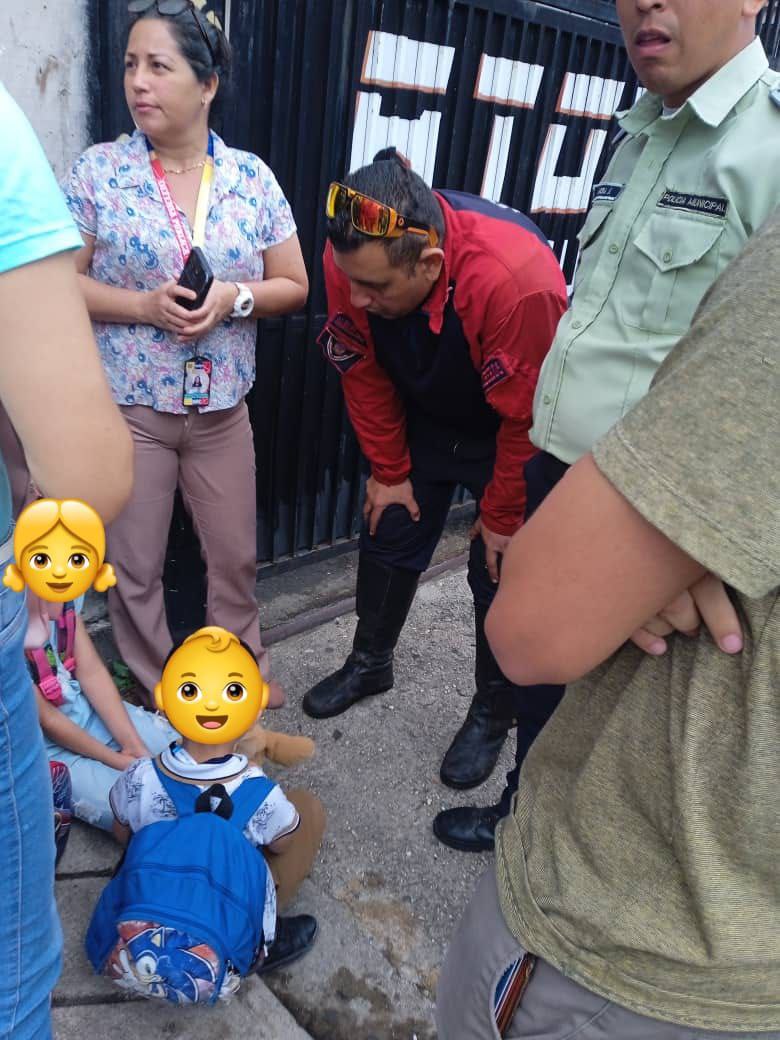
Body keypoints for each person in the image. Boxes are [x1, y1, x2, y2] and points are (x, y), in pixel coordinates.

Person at [434, 0, 780, 853]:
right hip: (560, 470)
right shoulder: (637, 135)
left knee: (626, 714)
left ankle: (566, 860)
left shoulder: (766, 150)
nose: (643, 6)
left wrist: (698, 539)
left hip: (654, 511)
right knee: (547, 683)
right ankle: (525, 818)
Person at [436, 206, 780, 1039]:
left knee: (521, 638)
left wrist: (652, 544)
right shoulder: (640, 141)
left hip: (635, 939)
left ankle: (500, 746)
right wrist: (672, 542)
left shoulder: (502, 276)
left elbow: (534, 626)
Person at [63, 0, 309, 702]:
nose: (138, 82)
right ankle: (155, 682)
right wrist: (142, 306)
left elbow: (294, 284)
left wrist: (232, 298)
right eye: (130, 65)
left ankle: (238, 673)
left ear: (206, 86)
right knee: (135, 567)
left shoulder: (251, 179)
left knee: (234, 558)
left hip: (221, 409)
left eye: (159, 66)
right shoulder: (99, 173)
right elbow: (61, 286)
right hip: (132, 411)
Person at [302, 152, 568, 796]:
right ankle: (370, 664)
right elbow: (360, 370)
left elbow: (528, 418)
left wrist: (502, 518)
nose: (355, 298)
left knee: (497, 568)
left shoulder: (516, 280)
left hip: (510, 426)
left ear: (429, 264)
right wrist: (389, 471)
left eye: (375, 291)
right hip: (426, 411)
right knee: (389, 526)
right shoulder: (356, 255)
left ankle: (491, 712)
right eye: (349, 282)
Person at [0, 85, 132, 1040]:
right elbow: (86, 472)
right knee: (14, 977)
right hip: (62, 744)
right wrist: (108, 753)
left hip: (92, 725)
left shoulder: (55, 598)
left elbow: (85, 661)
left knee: (172, 755)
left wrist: (133, 734)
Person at [107, 628, 324, 989]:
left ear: (164, 700)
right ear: (255, 706)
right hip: (219, 928)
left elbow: (121, 835)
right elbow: (281, 845)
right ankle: (256, 948)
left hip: (141, 923)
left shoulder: (140, 776)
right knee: (308, 810)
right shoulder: (259, 793)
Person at [25, 590, 177, 831]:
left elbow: (91, 671)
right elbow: (49, 721)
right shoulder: (9, 626)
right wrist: (119, 761)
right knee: (138, 811)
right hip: (45, 749)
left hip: (85, 710)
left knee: (179, 750)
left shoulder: (63, 587)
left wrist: (134, 746)